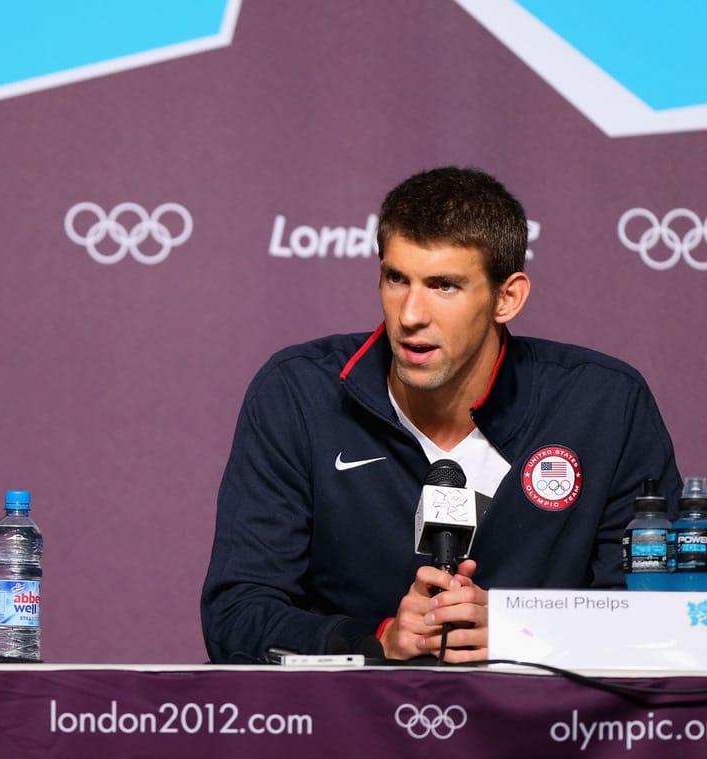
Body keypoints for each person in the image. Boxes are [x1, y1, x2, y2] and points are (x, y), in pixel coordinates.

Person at [200, 166, 682, 664]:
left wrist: (524, 629)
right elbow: (235, 614)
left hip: (549, 735)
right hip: (353, 732)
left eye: (444, 286)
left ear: (507, 297)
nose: (410, 315)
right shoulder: (298, 394)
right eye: (396, 279)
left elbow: (661, 620)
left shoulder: (603, 404)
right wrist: (375, 640)